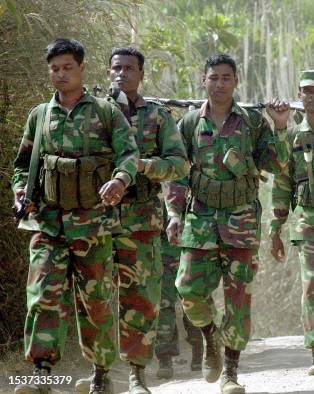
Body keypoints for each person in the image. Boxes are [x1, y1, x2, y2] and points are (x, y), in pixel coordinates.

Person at [12, 38, 139, 394]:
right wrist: (20, 192)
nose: (61, 74)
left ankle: (100, 374)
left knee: (95, 301)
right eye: (54, 69)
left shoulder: (104, 112)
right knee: (42, 298)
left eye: (68, 67)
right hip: (49, 223)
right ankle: (41, 376)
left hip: (92, 225)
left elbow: (129, 154)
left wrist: (119, 178)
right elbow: (23, 166)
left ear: (82, 68)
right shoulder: (39, 115)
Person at [165, 53, 290, 394]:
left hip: (241, 222)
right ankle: (209, 335)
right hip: (200, 221)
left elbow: (276, 166)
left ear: (236, 82)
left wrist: (280, 127)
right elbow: (178, 175)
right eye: (213, 77)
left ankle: (230, 373)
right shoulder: (189, 124)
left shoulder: (252, 123)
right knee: (188, 288)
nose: (219, 84)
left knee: (238, 301)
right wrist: (174, 214)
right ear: (203, 81)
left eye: (226, 77)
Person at [74, 46, 190, 394]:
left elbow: (180, 164)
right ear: (107, 72)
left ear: (141, 74)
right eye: (116, 68)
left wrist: (144, 166)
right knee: (94, 296)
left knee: (140, 297)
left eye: (129, 68)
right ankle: (100, 373)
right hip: (95, 218)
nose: (121, 73)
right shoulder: (91, 112)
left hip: (140, 217)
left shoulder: (157, 117)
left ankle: (138, 373)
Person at [269, 70, 314, 375]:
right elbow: (282, 180)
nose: (310, 96)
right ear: (299, 95)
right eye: (304, 91)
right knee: (312, 285)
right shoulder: (293, 136)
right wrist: (275, 228)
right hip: (307, 220)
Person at [154, 202, 203, 379]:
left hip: (191, 248)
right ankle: (164, 359)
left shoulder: (187, 179)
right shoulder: (155, 178)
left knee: (193, 302)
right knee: (164, 304)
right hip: (163, 252)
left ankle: (199, 352)